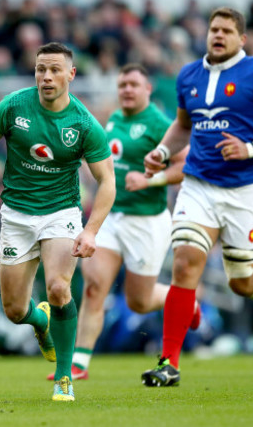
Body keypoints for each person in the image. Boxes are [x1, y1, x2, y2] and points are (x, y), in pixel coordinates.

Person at [141, 7, 253, 387]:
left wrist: (252, 149)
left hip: (246, 190)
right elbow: (182, 125)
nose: (219, 35)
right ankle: (169, 363)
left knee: (241, 281)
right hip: (199, 185)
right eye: (214, 29)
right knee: (184, 263)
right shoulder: (188, 75)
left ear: (241, 39)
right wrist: (162, 152)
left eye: (227, 30)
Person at [0, 42, 116, 402]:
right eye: (40, 69)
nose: (46, 77)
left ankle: (63, 377)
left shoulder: (83, 124)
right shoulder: (14, 105)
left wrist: (91, 230)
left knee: (58, 289)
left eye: (53, 70)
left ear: (71, 74)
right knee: (15, 310)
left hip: (61, 214)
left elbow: (108, 181)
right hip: (16, 215)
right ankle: (40, 321)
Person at [44, 63, 195, 381]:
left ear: (148, 89)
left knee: (138, 302)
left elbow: (185, 165)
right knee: (93, 287)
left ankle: (184, 303)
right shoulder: (112, 118)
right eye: (122, 84)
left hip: (147, 221)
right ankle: (79, 362)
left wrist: (151, 181)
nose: (127, 89)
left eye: (133, 85)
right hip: (111, 218)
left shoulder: (159, 124)